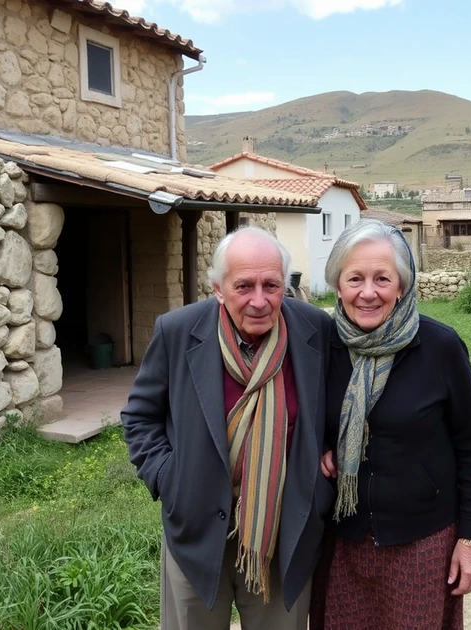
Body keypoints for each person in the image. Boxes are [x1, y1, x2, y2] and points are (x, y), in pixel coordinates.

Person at [121, 226, 335, 630]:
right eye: (244, 286)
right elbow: (139, 416)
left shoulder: (314, 330)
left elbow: (338, 403)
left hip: (282, 529)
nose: (259, 300)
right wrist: (170, 479)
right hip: (197, 529)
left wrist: (332, 451)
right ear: (218, 289)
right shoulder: (178, 332)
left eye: (271, 285)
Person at [313, 219, 471, 630]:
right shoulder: (323, 347)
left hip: (422, 541)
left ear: (402, 286)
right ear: (338, 286)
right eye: (355, 278)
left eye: (382, 278)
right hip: (343, 538)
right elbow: (303, 415)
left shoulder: (438, 346)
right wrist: (323, 445)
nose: (368, 292)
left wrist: (470, 540)